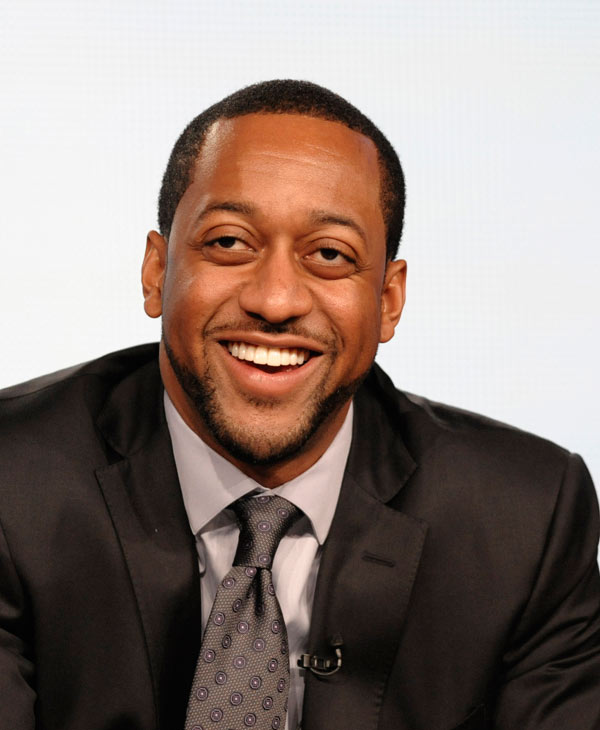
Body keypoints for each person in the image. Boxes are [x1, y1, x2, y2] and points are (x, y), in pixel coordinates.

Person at [0, 80, 598, 730]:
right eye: (229, 243)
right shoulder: (12, 483)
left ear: (388, 300)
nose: (276, 300)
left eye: (330, 255)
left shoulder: (527, 521)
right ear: (156, 271)